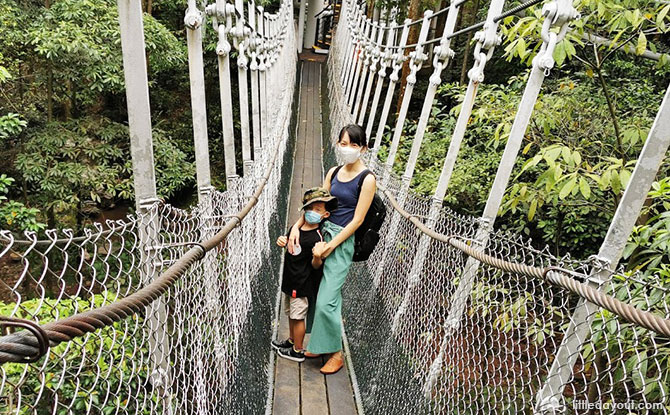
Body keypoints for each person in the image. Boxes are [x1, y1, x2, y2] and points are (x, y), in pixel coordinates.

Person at [287, 124, 376, 374]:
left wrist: (331, 246)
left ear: (363, 148)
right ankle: (319, 343)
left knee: (328, 299)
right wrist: (297, 226)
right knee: (314, 291)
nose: (347, 149)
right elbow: (317, 205)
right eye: (344, 143)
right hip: (320, 234)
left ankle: (336, 352)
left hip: (341, 241)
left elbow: (358, 220)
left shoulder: (367, 179)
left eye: (354, 145)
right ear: (337, 144)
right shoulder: (334, 172)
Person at [273, 187, 338, 362]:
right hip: (290, 279)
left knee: (297, 316)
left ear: (325, 215)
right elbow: (287, 243)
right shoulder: (297, 228)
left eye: (317, 210)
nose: (311, 213)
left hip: (301, 283)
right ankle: (292, 340)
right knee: (290, 314)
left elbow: (316, 266)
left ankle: (298, 350)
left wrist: (317, 256)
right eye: (309, 209)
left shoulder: (317, 238)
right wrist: (282, 240)